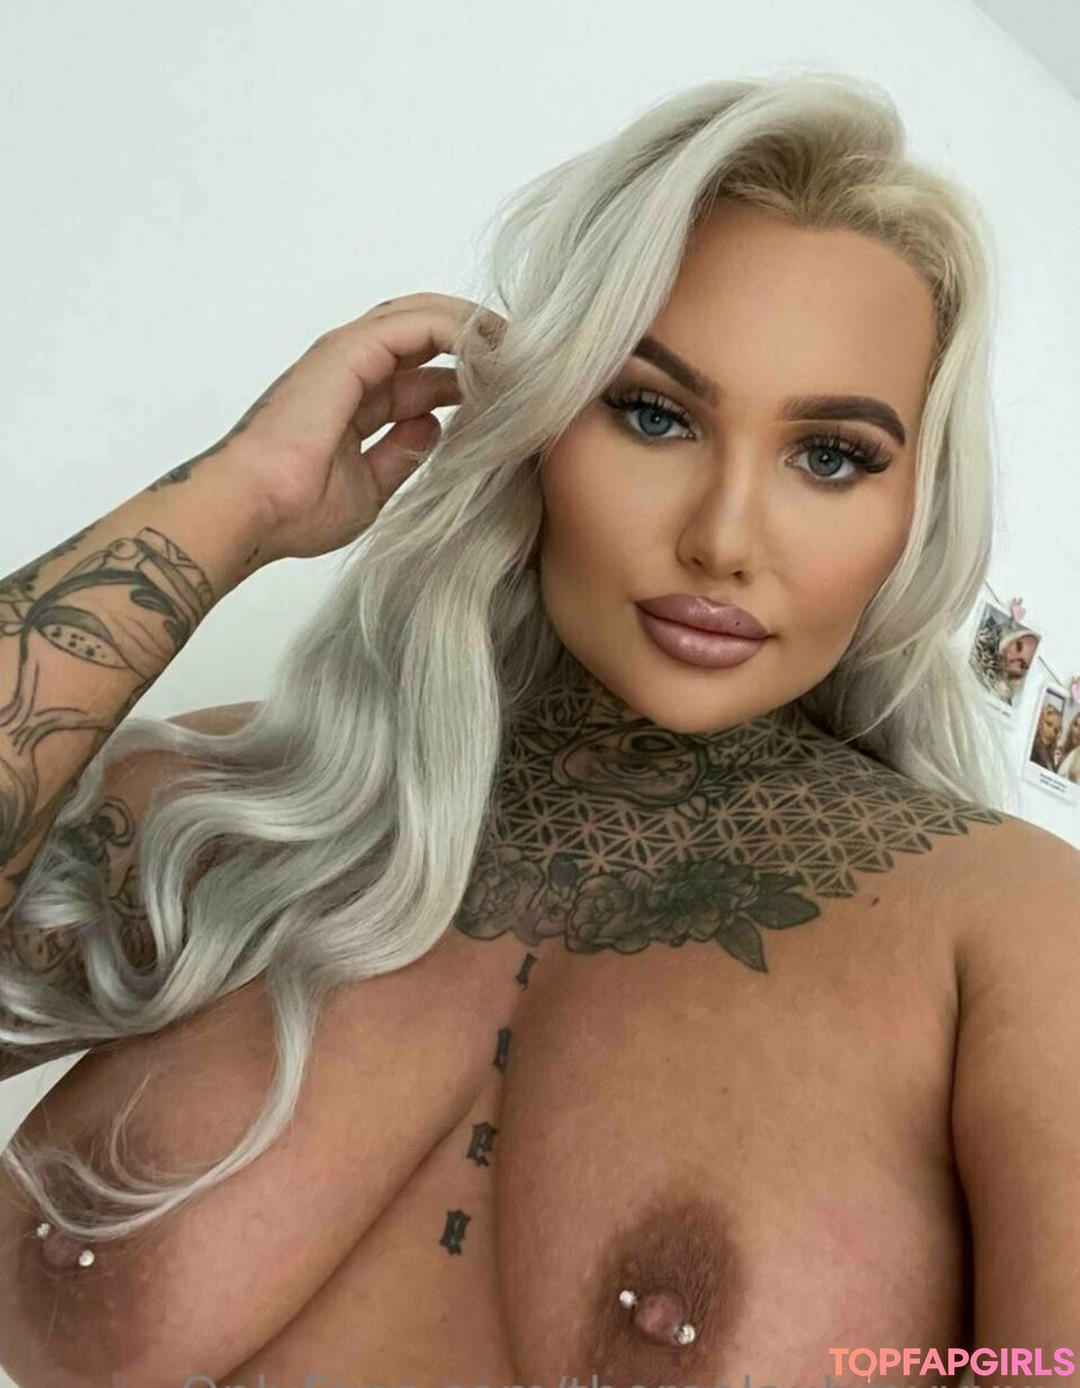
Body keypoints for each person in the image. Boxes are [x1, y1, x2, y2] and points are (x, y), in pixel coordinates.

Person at [0, 70, 1078, 1388]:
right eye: (653, 413)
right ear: (538, 424)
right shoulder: (230, 806)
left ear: (917, 510)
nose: (723, 539)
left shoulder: (1017, 942)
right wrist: (234, 501)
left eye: (831, 456)